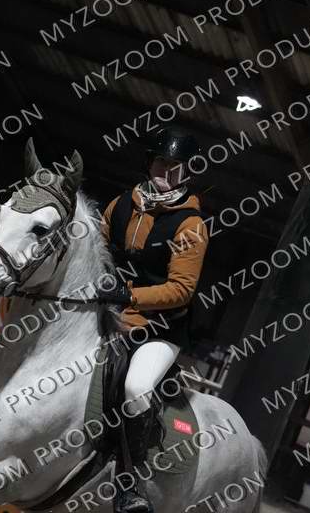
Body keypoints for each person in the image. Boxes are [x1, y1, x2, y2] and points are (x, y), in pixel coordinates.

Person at [99, 125, 210, 513]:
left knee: (136, 387)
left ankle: (129, 485)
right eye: (161, 161)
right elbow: (97, 249)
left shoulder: (190, 225)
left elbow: (181, 289)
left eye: (175, 165)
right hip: (109, 313)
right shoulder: (120, 205)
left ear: (187, 172)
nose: (166, 170)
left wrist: (130, 295)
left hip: (158, 328)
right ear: (149, 163)